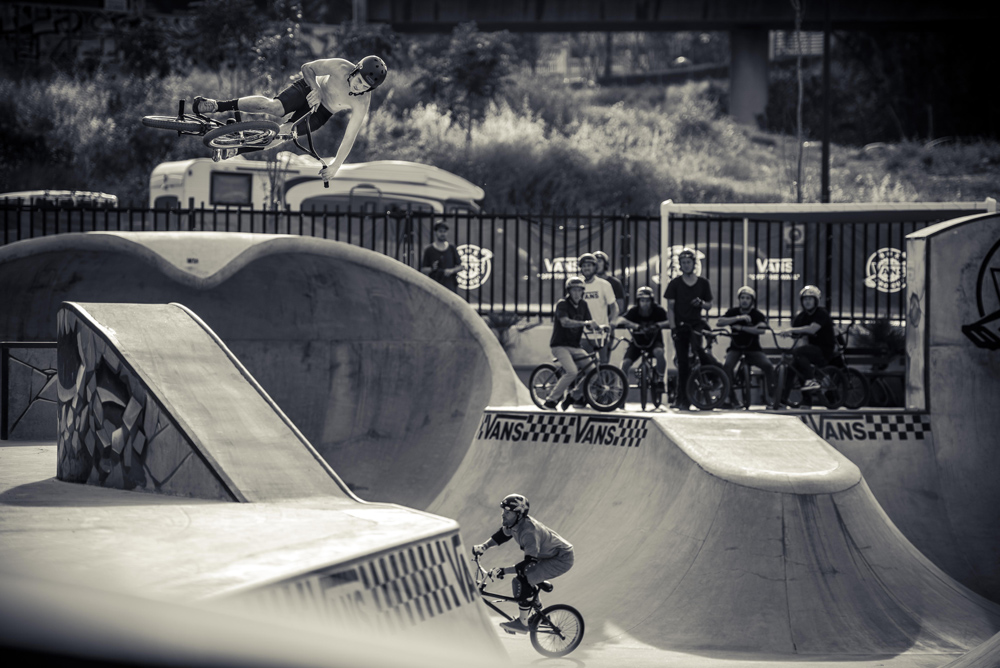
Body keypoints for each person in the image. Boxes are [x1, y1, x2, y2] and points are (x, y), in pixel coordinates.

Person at [193, 55, 387, 175]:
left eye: (365, 86)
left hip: (323, 111)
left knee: (286, 133)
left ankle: (236, 150)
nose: (359, 87)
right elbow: (307, 67)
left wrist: (336, 165)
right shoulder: (339, 67)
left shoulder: (362, 102)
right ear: (356, 70)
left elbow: (350, 136)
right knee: (274, 107)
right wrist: (316, 89)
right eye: (359, 80)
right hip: (310, 88)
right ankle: (216, 105)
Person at [473, 494, 575, 635]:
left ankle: (522, 623)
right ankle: (541, 615)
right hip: (546, 554)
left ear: (519, 515)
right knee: (521, 581)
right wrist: (483, 546)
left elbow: (529, 563)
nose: (503, 515)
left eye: (507, 513)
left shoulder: (528, 532)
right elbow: (502, 535)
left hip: (561, 558)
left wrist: (503, 570)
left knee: (521, 581)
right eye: (503, 511)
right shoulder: (513, 523)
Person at [664, 248, 713, 410]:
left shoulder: (703, 283)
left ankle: (714, 379)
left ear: (694, 264)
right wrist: (673, 328)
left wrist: (701, 303)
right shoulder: (675, 284)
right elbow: (670, 307)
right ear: (680, 265)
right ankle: (682, 399)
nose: (686, 265)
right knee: (683, 363)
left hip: (696, 325)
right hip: (680, 326)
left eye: (689, 262)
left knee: (699, 352)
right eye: (683, 263)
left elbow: (709, 305)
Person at [716, 286, 777, 408]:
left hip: (753, 349)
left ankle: (772, 399)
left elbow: (761, 330)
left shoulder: (757, 314)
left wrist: (741, 328)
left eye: (748, 298)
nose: (744, 300)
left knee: (768, 366)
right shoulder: (733, 312)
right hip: (735, 348)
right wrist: (738, 318)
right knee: (727, 366)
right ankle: (730, 398)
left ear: (752, 301)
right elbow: (720, 322)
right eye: (742, 298)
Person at [543, 276, 597, 411]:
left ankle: (573, 395)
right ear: (569, 291)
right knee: (572, 372)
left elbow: (589, 324)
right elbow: (565, 322)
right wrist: (585, 323)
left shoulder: (584, 305)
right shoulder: (562, 304)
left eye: (580, 290)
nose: (577, 294)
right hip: (559, 345)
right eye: (574, 290)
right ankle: (551, 401)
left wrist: (600, 327)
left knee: (594, 372)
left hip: (575, 346)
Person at [777, 285, 836, 392]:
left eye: (810, 299)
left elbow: (812, 329)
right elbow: (796, 333)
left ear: (816, 301)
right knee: (792, 368)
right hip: (810, 350)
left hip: (824, 350)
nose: (807, 302)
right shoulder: (801, 316)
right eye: (805, 299)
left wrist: (791, 330)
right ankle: (783, 400)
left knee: (799, 352)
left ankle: (811, 379)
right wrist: (788, 334)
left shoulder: (821, 313)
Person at [618, 286, 669, 403]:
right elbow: (620, 320)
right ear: (638, 301)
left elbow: (670, 321)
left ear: (652, 301)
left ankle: (661, 380)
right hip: (637, 342)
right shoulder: (634, 311)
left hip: (654, 341)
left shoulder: (658, 311)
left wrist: (658, 325)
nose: (645, 303)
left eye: (647, 301)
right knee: (625, 364)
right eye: (642, 301)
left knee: (659, 353)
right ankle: (622, 389)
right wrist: (635, 326)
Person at [577, 253, 619, 363]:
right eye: (584, 265)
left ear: (595, 267)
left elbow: (614, 307)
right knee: (583, 365)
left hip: (601, 333)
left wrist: (613, 322)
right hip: (582, 333)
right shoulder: (576, 285)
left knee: (603, 364)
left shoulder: (604, 285)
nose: (586, 268)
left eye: (589, 265)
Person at [420, 220, 464, 292]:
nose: (443, 234)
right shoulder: (429, 250)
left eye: (444, 231)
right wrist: (432, 268)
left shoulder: (451, 248)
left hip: (450, 285)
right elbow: (423, 269)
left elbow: (461, 266)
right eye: (440, 231)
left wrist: (451, 270)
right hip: (435, 285)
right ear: (436, 232)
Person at [594, 251, 626, 315]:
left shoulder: (615, 283)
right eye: (595, 262)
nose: (597, 264)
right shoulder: (586, 283)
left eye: (599, 261)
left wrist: (610, 319)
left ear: (605, 264)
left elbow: (620, 307)